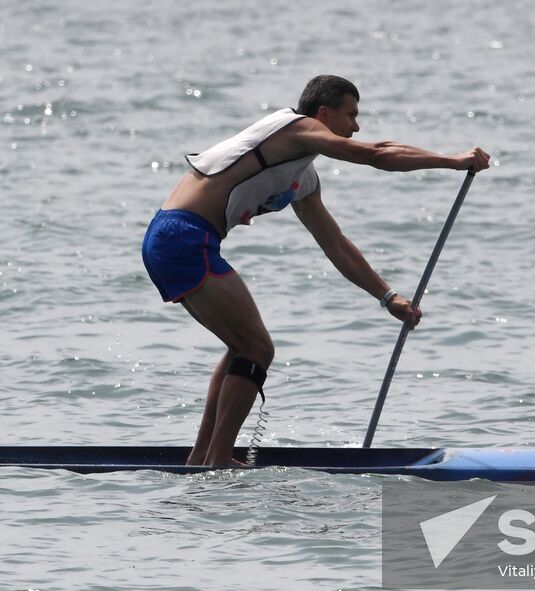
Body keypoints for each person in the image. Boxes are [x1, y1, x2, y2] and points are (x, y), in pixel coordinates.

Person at [141, 74, 491, 468]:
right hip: (182, 237)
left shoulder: (302, 178)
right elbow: (376, 153)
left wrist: (388, 297)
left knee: (243, 345)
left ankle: (202, 457)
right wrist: (451, 160)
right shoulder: (295, 127)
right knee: (257, 348)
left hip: (178, 240)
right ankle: (218, 460)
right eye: (351, 115)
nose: (356, 127)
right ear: (323, 113)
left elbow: (336, 244)